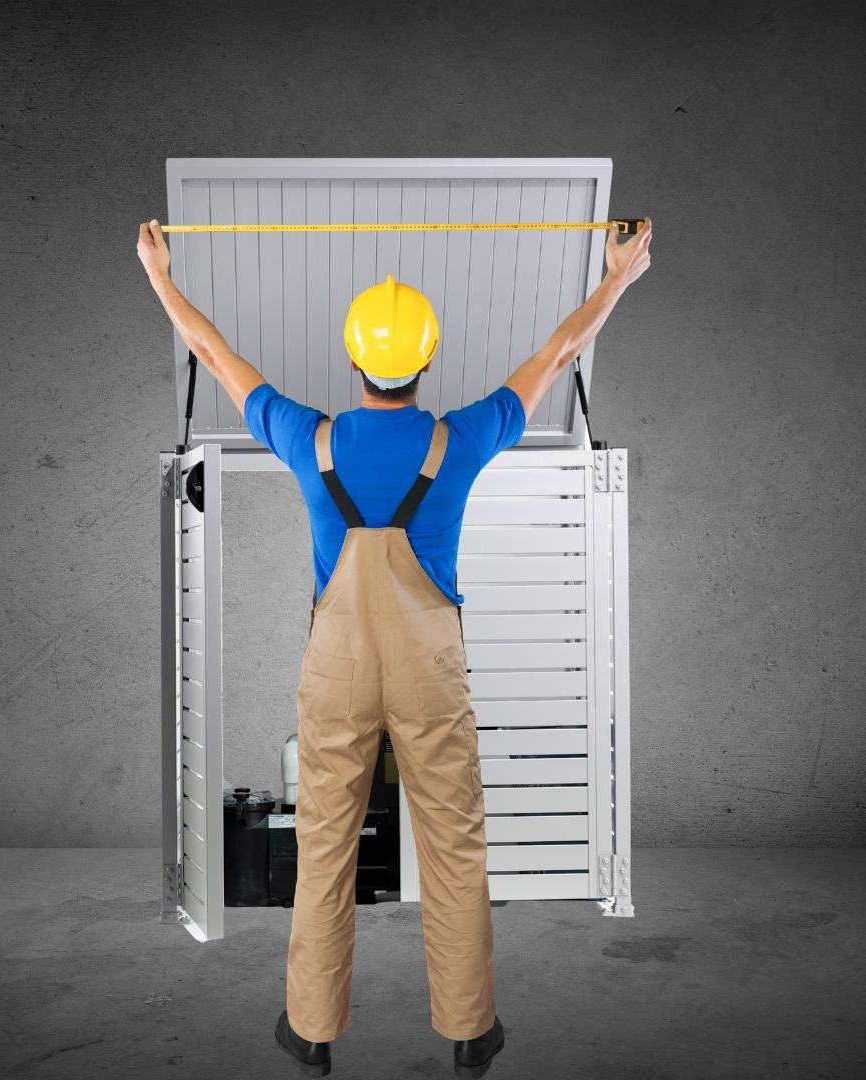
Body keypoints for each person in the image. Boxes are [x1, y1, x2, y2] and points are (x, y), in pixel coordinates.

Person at [138, 216, 652, 1078]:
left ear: (352, 360)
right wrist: (619, 277)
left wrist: (158, 271)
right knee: (452, 843)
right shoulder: (465, 435)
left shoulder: (308, 436)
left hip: (336, 674)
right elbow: (561, 351)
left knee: (326, 842)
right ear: (429, 357)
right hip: (430, 673)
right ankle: (468, 1029)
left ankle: (310, 1032)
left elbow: (212, 349)